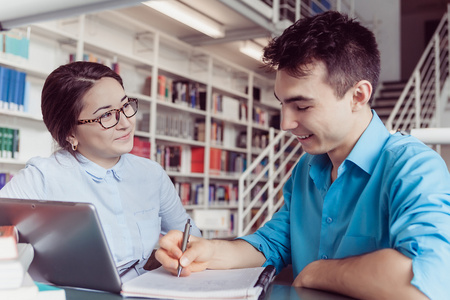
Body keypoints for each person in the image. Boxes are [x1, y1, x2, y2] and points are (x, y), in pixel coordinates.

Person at [155, 11, 450, 300]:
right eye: (282, 104)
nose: (285, 124)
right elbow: (272, 244)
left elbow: (423, 283)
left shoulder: (414, 169)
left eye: (302, 106)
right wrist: (206, 250)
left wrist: (317, 272)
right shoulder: (306, 169)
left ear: (358, 96)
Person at [0, 61, 201, 280]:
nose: (125, 123)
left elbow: (193, 241)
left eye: (125, 106)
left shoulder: (152, 174)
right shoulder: (43, 177)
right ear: (70, 133)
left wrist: (178, 255)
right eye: (106, 115)